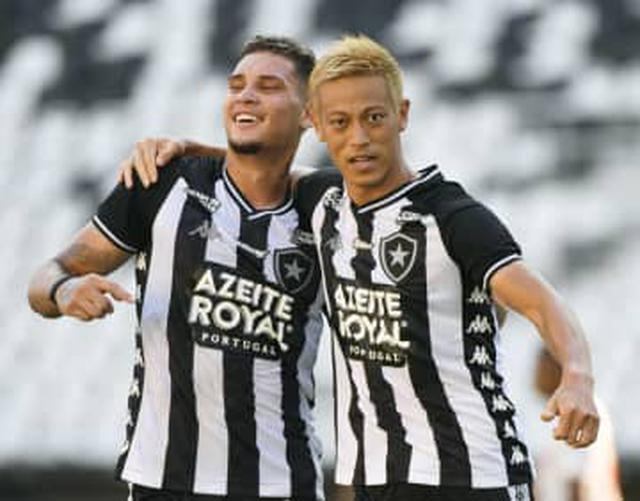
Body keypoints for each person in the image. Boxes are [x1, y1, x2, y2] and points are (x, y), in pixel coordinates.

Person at [120, 35, 600, 501]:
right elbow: (262, 169)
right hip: (375, 478)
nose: (359, 138)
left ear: (401, 115)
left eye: (374, 118)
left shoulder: (453, 217)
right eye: (341, 122)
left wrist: (577, 377)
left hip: (471, 475)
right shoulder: (323, 201)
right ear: (317, 125)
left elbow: (543, 303)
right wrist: (188, 148)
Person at [28, 36, 326, 501]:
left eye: (268, 87)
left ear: (309, 114)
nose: (246, 96)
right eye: (236, 85)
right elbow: (44, 278)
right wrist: (63, 291)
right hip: (165, 480)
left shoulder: (326, 207)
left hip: (281, 481)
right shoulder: (163, 182)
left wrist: (193, 145)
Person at [533, 349, 623, 501]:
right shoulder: (581, 405)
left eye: (542, 367)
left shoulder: (574, 410)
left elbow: (577, 480)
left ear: (558, 369)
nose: (536, 374)